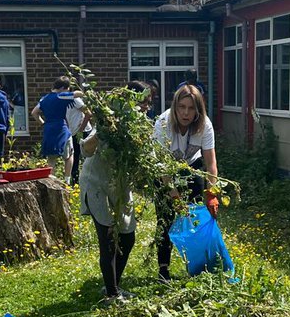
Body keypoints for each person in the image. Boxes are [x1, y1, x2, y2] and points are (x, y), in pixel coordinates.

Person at [79, 82, 150, 302]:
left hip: (119, 186)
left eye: (148, 102)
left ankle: (113, 285)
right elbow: (86, 150)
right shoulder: (108, 123)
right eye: (143, 102)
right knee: (108, 238)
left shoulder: (138, 128)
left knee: (127, 238)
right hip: (96, 183)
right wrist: (103, 131)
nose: (147, 107)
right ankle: (111, 294)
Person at [152, 83, 218, 282]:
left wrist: (212, 193)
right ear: (175, 107)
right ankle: (164, 268)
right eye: (182, 107)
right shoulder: (162, 124)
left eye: (191, 108)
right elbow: (162, 167)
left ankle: (200, 265)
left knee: (197, 216)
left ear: (198, 110)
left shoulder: (204, 125)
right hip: (164, 171)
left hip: (191, 166)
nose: (186, 113)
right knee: (166, 218)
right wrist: (175, 198)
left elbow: (211, 162)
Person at [32, 76, 75, 181]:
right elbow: (78, 94)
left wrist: (43, 123)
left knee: (51, 158)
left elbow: (34, 113)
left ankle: (51, 182)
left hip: (49, 129)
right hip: (61, 129)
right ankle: (67, 180)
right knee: (69, 155)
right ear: (63, 87)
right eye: (68, 88)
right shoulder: (61, 96)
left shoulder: (44, 99)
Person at [66, 90, 93, 186]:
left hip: (83, 131)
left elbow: (88, 113)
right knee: (74, 158)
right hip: (72, 133)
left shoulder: (75, 100)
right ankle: (75, 184)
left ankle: (88, 183)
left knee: (87, 158)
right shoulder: (61, 101)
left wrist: (80, 130)